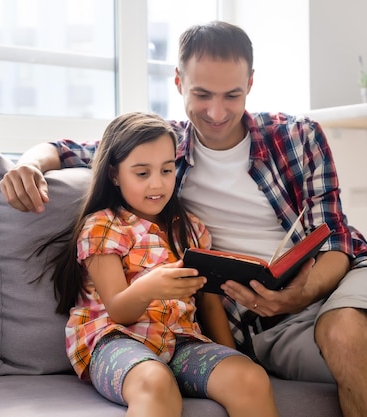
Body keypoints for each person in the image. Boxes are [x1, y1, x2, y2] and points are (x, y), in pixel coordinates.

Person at [0, 21, 367, 417]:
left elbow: (333, 237)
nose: (216, 113)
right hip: (271, 318)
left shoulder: (296, 136)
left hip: (345, 277)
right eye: (201, 94)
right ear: (178, 82)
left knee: (346, 328)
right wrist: (29, 164)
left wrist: (301, 294)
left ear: (251, 85)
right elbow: (75, 150)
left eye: (231, 95)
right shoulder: (164, 151)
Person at [41, 112, 279, 417]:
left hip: (182, 342)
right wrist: (148, 288)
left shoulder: (191, 230)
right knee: (155, 381)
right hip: (115, 340)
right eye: (142, 173)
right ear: (114, 174)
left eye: (167, 170)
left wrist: (232, 356)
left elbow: (209, 306)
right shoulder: (103, 226)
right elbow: (118, 309)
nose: (158, 184)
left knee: (249, 377)